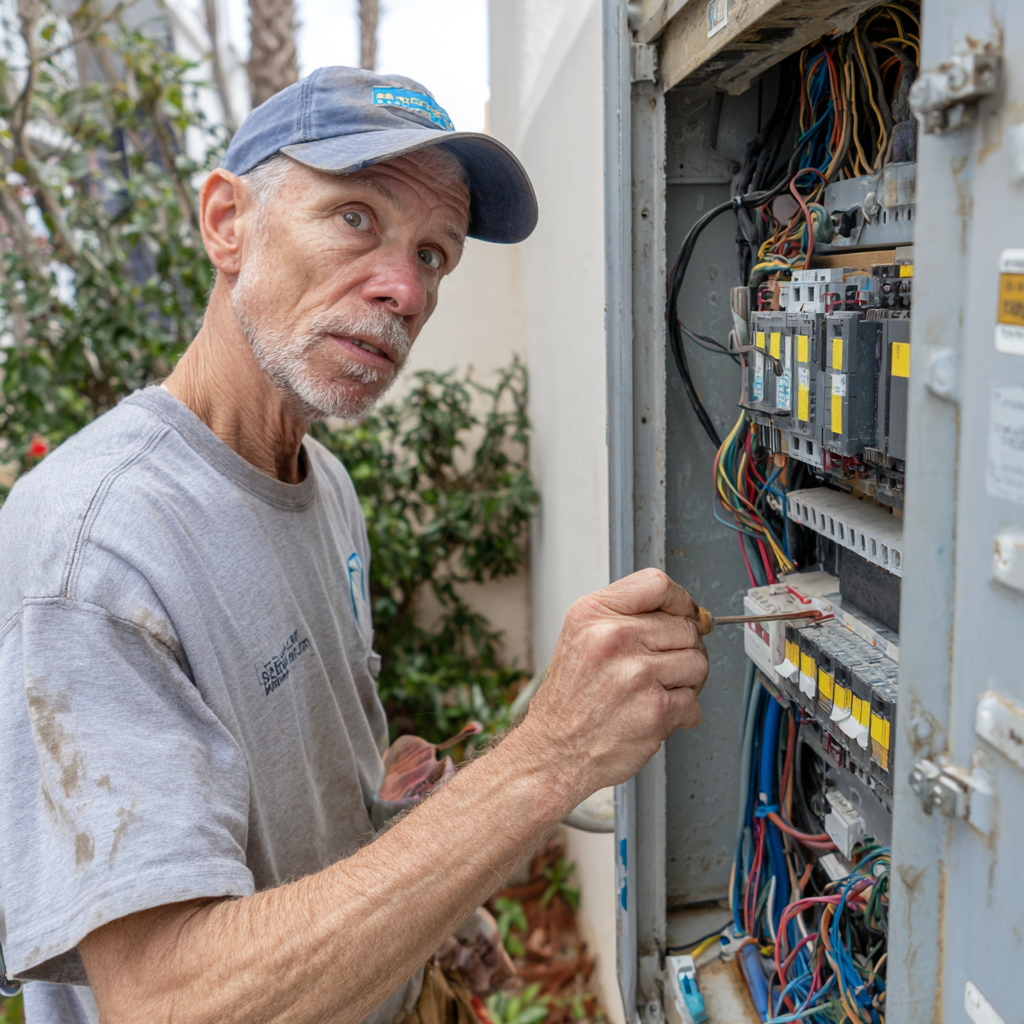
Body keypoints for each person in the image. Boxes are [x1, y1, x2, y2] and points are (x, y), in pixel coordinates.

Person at [0, 67, 708, 1024]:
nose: (405, 288)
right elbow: (172, 1001)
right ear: (226, 222)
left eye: (435, 254)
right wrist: (552, 757)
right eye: (355, 218)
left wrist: (424, 889)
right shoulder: (96, 553)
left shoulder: (320, 484)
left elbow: (307, 770)